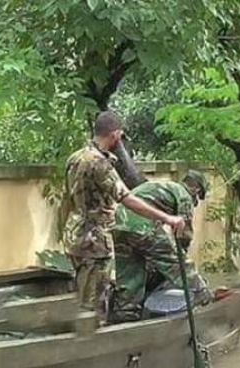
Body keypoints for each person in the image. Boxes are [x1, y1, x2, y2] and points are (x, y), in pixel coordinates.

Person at [64, 111, 185, 327]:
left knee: (82, 296)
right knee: (95, 304)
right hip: (95, 240)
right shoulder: (99, 163)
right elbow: (127, 198)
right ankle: (92, 349)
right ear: (115, 135)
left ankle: (80, 338)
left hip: (73, 235)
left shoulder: (74, 158)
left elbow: (69, 199)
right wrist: (167, 218)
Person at [111, 171, 213, 323]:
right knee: (177, 263)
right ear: (196, 189)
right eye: (197, 198)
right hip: (142, 226)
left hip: (119, 226)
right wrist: (179, 258)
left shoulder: (162, 185)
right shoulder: (183, 194)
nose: (195, 202)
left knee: (130, 272)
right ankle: (202, 293)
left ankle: (126, 312)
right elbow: (184, 235)